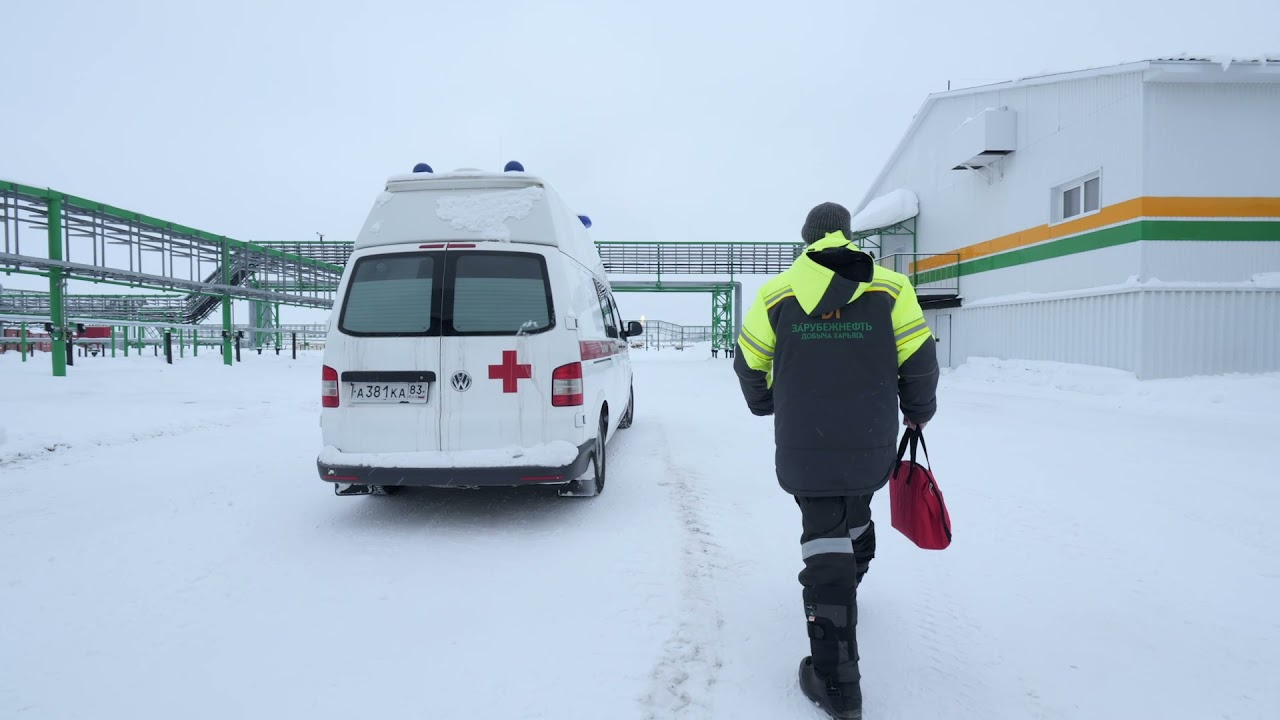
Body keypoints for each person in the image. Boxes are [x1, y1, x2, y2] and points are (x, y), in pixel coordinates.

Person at [733, 202, 939, 719]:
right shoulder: (891, 288)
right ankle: (852, 575)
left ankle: (837, 682)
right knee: (854, 510)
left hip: (805, 442)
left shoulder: (777, 294)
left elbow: (749, 361)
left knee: (824, 541)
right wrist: (917, 411)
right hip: (869, 439)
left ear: (807, 240)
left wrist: (765, 403)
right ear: (848, 236)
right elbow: (919, 358)